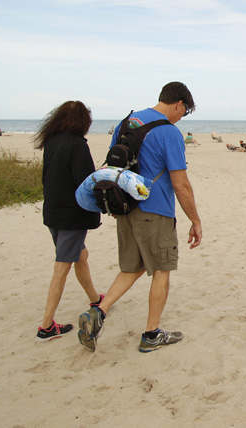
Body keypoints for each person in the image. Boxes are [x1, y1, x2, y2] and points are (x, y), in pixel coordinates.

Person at [77, 81, 203, 353]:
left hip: (126, 209)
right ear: (179, 104)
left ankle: (98, 312)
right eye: (185, 112)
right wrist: (195, 220)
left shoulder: (127, 121)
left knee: (132, 267)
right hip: (155, 211)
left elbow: (111, 167)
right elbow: (180, 184)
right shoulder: (169, 133)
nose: (182, 117)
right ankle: (151, 334)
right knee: (161, 270)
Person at [32, 101, 103, 342]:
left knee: (80, 255)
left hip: (53, 213)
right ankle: (46, 327)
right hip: (71, 216)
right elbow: (86, 183)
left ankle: (95, 299)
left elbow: (47, 178)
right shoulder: (77, 145)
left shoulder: (52, 142)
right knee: (61, 267)